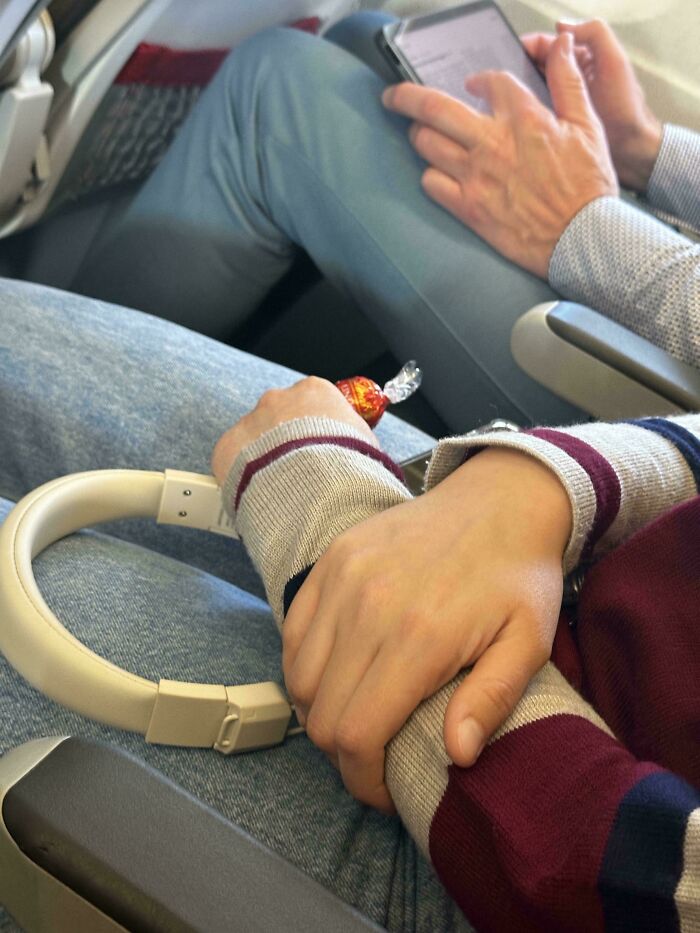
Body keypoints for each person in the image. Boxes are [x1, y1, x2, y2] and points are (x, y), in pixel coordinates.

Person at [1, 276, 699, 932]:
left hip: (505, 835)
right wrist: (552, 485)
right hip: (564, 533)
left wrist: (326, 516)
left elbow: (636, 874)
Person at [70, 15, 700, 431]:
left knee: (275, 84)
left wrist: (581, 221)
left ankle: (71, 384)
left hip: (658, 412)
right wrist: (645, 151)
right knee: (366, 38)